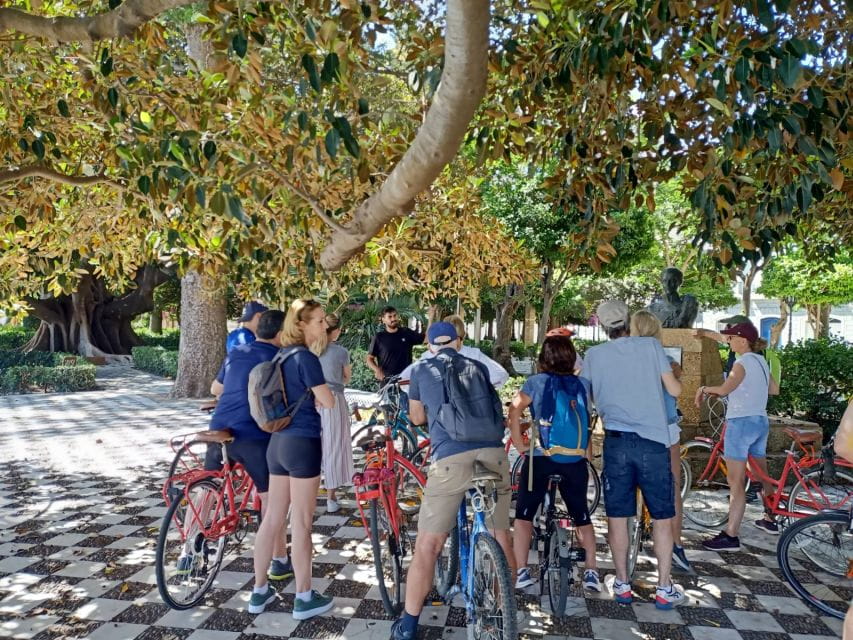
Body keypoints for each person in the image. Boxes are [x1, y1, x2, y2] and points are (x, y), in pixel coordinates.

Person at [390, 322, 513, 640]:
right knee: (501, 534)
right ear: (458, 342)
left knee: (428, 545)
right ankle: (504, 609)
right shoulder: (477, 365)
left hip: (450, 459)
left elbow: (417, 418)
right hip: (494, 454)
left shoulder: (420, 369)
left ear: (430, 345)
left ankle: (407, 626)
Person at [581, 300, 686, 609]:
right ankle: (664, 587)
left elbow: (586, 400)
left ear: (602, 326)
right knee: (662, 517)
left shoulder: (593, 355)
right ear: (628, 320)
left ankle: (623, 582)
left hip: (615, 444)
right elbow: (676, 391)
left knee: (617, 517)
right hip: (654, 443)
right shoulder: (651, 348)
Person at [249, 299, 336, 619]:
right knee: (301, 521)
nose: (323, 327)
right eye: (318, 321)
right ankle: (304, 596)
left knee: (272, 517)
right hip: (302, 444)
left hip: (277, 443)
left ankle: (258, 593)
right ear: (300, 324)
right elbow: (327, 400)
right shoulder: (306, 358)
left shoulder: (281, 355)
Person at [508, 331, 601, 592]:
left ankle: (523, 571)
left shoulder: (535, 382)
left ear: (543, 359)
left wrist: (519, 444)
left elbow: (514, 410)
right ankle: (592, 570)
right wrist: (586, 452)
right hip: (574, 461)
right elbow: (585, 418)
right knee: (581, 515)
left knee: (524, 516)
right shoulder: (583, 384)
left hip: (541, 459)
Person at [201, 310, 290, 580]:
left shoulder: (237, 351)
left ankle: (187, 552)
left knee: (206, 487)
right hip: (253, 432)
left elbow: (216, 389)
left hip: (219, 425)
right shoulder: (279, 358)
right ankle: (279, 559)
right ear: (280, 334)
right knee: (270, 498)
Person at [694, 320, 780, 549]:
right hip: (760, 422)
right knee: (761, 475)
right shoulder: (761, 360)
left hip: (740, 424)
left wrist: (704, 389)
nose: (728, 341)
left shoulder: (741, 363)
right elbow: (774, 389)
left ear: (743, 340)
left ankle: (730, 534)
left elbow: (723, 390)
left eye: (731, 338)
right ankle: (771, 519)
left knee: (736, 483)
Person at [630, 310, 692, 574]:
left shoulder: (625, 361)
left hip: (632, 430)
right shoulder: (665, 360)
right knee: (671, 489)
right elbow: (674, 393)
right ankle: (676, 545)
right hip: (665, 432)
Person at [311, 313, 354, 514]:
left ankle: (308, 496)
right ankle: (331, 497)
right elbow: (346, 378)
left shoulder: (310, 349)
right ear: (336, 331)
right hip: (334, 400)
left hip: (311, 401)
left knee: (313, 447)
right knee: (334, 447)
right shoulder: (341, 352)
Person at [399, 314, 509, 387]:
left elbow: (501, 375)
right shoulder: (429, 356)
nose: (452, 344)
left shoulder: (473, 354)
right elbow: (404, 380)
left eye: (456, 339)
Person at [366, 306, 424, 382]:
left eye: (395, 315)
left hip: (407, 381)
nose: (393, 319)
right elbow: (369, 358)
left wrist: (431, 316)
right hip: (387, 382)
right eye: (389, 317)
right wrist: (377, 370)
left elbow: (426, 338)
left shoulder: (406, 332)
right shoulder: (379, 337)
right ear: (383, 319)